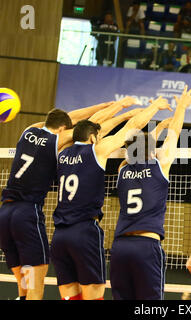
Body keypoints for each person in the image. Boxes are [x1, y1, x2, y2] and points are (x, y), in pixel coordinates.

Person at [50, 96, 173, 301]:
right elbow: (133, 128)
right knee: (94, 294)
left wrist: (122, 110)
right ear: (92, 138)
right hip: (84, 231)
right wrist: (154, 107)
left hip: (59, 235)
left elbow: (90, 125)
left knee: (70, 296)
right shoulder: (96, 150)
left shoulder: (61, 152)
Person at [0, 100, 118, 300]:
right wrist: (107, 108)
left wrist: (98, 107)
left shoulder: (28, 131)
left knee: (25, 282)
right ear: (63, 128)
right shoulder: (58, 139)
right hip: (26, 214)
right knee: (36, 288)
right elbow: (90, 128)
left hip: (4, 215)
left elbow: (71, 117)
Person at [110, 86, 191, 300]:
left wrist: (157, 128)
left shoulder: (122, 169)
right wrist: (181, 107)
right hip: (146, 246)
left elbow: (138, 149)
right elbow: (175, 133)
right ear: (151, 150)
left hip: (120, 247)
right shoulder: (159, 167)